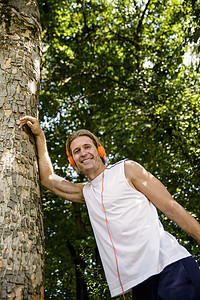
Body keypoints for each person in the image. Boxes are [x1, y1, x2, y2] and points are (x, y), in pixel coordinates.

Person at [18, 116, 200, 300]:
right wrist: (40, 136)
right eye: (77, 151)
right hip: (140, 282)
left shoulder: (127, 170)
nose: (83, 153)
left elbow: (171, 207)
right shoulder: (85, 192)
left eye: (87, 147)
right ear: (73, 161)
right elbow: (48, 179)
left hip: (171, 265)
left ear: (99, 149)